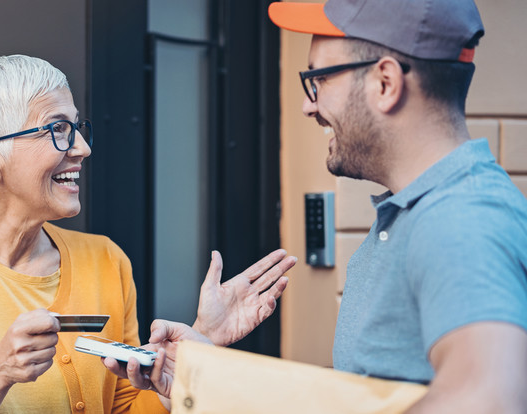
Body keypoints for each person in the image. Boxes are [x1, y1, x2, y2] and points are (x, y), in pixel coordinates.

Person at [112, 0, 527, 412]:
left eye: (318, 79)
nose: (308, 105)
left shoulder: (461, 219)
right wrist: (208, 374)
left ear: (385, 83)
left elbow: (488, 400)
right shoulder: (415, 215)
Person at [0, 55, 297, 413]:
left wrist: (199, 343)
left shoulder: (105, 260)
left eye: (76, 127)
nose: (82, 148)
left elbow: (127, 407)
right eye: (56, 129)